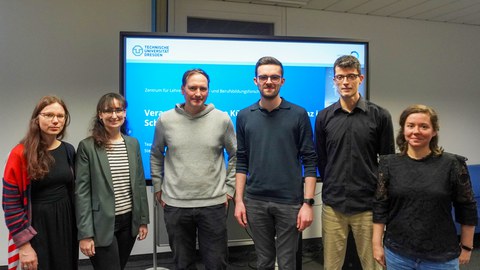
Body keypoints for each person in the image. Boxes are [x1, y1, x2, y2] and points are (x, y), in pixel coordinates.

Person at [234, 56, 317, 269]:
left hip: (289, 202)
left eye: (274, 77)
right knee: (264, 262)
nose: (268, 81)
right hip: (255, 201)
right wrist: (239, 201)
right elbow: (241, 160)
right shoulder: (244, 116)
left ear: (282, 81)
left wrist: (307, 204)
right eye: (263, 77)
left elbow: (309, 161)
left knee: (288, 263)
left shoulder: (298, 114)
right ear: (255, 81)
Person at [372, 104, 478, 269]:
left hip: (440, 258)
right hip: (398, 255)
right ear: (403, 129)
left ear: (434, 131)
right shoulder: (388, 164)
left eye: (424, 126)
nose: (416, 131)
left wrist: (466, 246)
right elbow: (380, 207)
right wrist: (376, 244)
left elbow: (467, 208)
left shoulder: (453, 164)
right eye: (410, 126)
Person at [150, 68, 236, 269]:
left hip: (213, 204)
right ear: (182, 90)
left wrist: (230, 188)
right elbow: (155, 154)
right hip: (176, 205)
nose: (198, 93)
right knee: (183, 263)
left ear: (208, 91)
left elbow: (236, 154)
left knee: (216, 264)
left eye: (203, 88)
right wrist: (157, 186)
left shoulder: (222, 119)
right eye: (193, 88)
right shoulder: (165, 120)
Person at [315, 55, 395, 270]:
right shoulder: (324, 117)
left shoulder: (380, 116)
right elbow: (322, 159)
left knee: (374, 264)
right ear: (334, 80)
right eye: (340, 77)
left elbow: (387, 163)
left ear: (361, 78)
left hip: (367, 206)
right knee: (331, 265)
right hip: (334, 205)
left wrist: (381, 201)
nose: (345, 82)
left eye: (350, 76)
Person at [75, 92, 150, 270]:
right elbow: (82, 193)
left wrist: (142, 220)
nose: (114, 115)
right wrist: (85, 234)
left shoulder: (132, 144)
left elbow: (139, 184)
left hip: (128, 221)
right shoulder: (88, 146)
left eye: (119, 110)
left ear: (125, 113)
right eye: (108, 111)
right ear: (100, 114)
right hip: (101, 223)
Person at [2, 95, 78, 270]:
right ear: (37, 119)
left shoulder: (68, 150)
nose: (55, 120)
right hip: (36, 226)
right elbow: (10, 203)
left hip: (65, 224)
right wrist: (24, 245)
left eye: (60, 116)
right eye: (48, 115)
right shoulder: (20, 154)